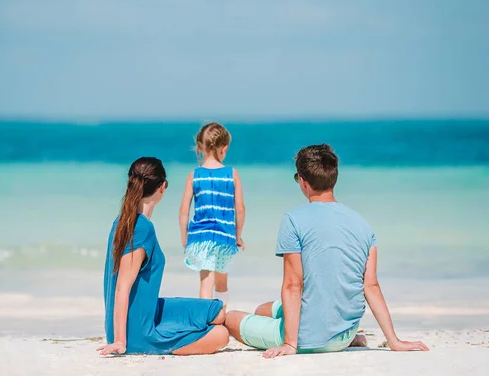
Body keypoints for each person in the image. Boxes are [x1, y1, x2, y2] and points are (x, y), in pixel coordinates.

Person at [225, 144, 429, 358]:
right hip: (344, 334)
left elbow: (293, 285)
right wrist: (394, 341)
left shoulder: (293, 220)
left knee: (230, 318)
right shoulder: (363, 225)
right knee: (262, 310)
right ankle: (351, 338)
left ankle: (298, 337)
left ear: (303, 182)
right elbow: (371, 286)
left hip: (308, 338)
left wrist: (290, 344)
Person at [98, 157, 229, 356]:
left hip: (147, 312)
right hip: (135, 333)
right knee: (221, 334)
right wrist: (119, 340)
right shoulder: (141, 228)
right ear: (162, 187)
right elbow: (122, 287)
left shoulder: (123, 221)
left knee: (217, 312)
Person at [179, 122, 246, 306]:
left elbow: (184, 210)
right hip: (224, 237)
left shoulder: (194, 175)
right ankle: (221, 319)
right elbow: (240, 209)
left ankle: (206, 324)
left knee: (205, 283)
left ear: (200, 147)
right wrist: (238, 236)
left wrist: (184, 237)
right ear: (224, 149)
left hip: (201, 238)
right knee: (222, 283)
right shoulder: (232, 174)